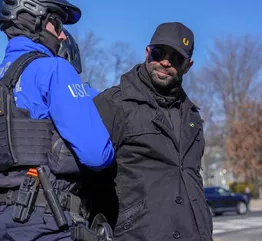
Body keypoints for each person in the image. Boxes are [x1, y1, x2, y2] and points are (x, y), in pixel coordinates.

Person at [0, 0, 114, 240]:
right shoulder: (54, 69)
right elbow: (96, 153)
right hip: (46, 221)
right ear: (34, 20)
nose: (63, 34)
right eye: (57, 23)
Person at [89, 22, 213, 241]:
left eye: (176, 58)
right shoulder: (113, 104)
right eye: (159, 53)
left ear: (188, 65)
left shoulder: (193, 117)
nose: (165, 62)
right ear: (147, 52)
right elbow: (83, 175)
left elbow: (192, 177)